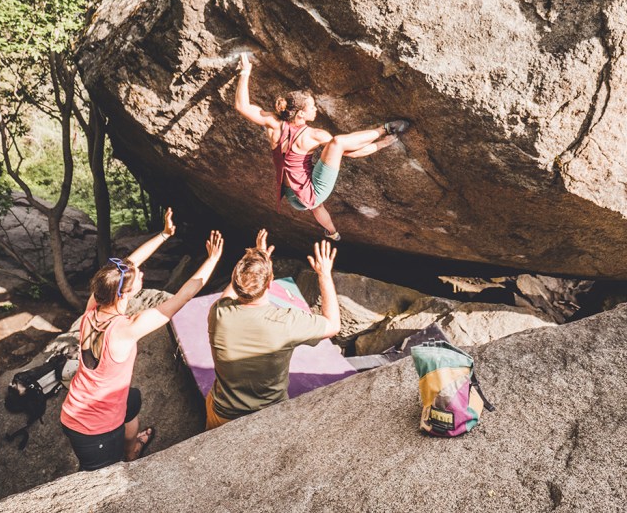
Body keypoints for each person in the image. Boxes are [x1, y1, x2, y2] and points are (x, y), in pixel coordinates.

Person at [60, 209, 223, 470]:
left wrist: (164, 234)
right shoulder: (125, 329)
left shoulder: (94, 304)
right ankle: (122, 457)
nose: (142, 276)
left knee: (131, 400)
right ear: (124, 295)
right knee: (104, 476)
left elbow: (127, 265)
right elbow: (180, 298)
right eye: (138, 279)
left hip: (78, 406)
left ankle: (132, 447)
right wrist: (213, 259)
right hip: (93, 428)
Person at [234, 53, 409, 240]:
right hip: (311, 193)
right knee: (338, 142)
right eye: (312, 107)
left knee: (315, 206)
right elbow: (351, 152)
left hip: (292, 198)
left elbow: (242, 106)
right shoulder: (313, 135)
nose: (316, 109)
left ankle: (333, 233)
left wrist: (245, 72)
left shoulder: (274, 124)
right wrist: (381, 144)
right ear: (301, 114)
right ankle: (383, 129)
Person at [205, 230, 340, 430]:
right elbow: (333, 325)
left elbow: (230, 294)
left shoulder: (219, 313)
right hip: (269, 417)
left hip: (223, 415)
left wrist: (255, 261)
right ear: (270, 282)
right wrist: (325, 275)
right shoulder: (286, 322)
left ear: (235, 281)